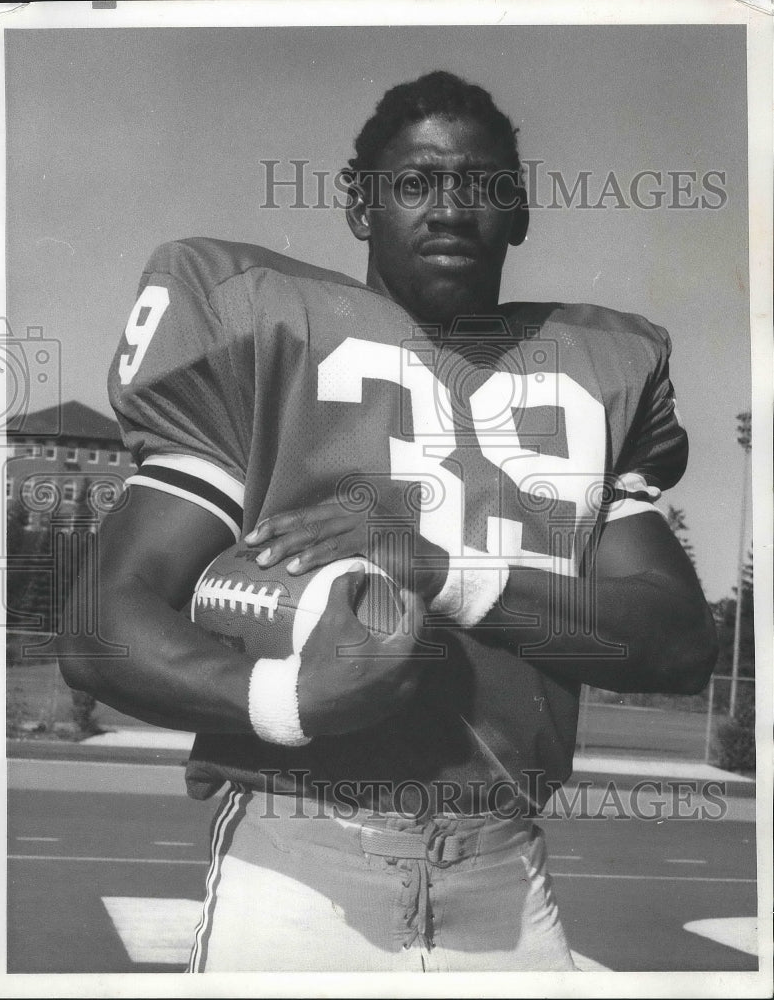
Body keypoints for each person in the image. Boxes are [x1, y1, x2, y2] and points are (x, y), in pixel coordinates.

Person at [59, 71, 717, 972]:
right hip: (299, 872)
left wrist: (444, 572)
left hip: (506, 884)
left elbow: (677, 642)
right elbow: (105, 620)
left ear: (520, 211)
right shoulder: (264, 333)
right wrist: (286, 701)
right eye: (414, 182)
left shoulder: (597, 369)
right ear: (358, 206)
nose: (449, 208)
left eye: (480, 184)